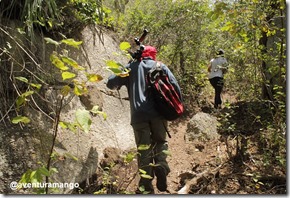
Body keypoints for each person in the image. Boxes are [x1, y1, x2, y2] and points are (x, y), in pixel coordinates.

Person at [106, 46, 182, 194]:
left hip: (138, 116)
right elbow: (176, 87)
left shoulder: (131, 67)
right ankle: (161, 165)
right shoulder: (160, 66)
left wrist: (128, 64)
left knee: (143, 149)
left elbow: (110, 83)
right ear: (153, 55)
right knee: (160, 142)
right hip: (158, 114)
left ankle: (146, 186)